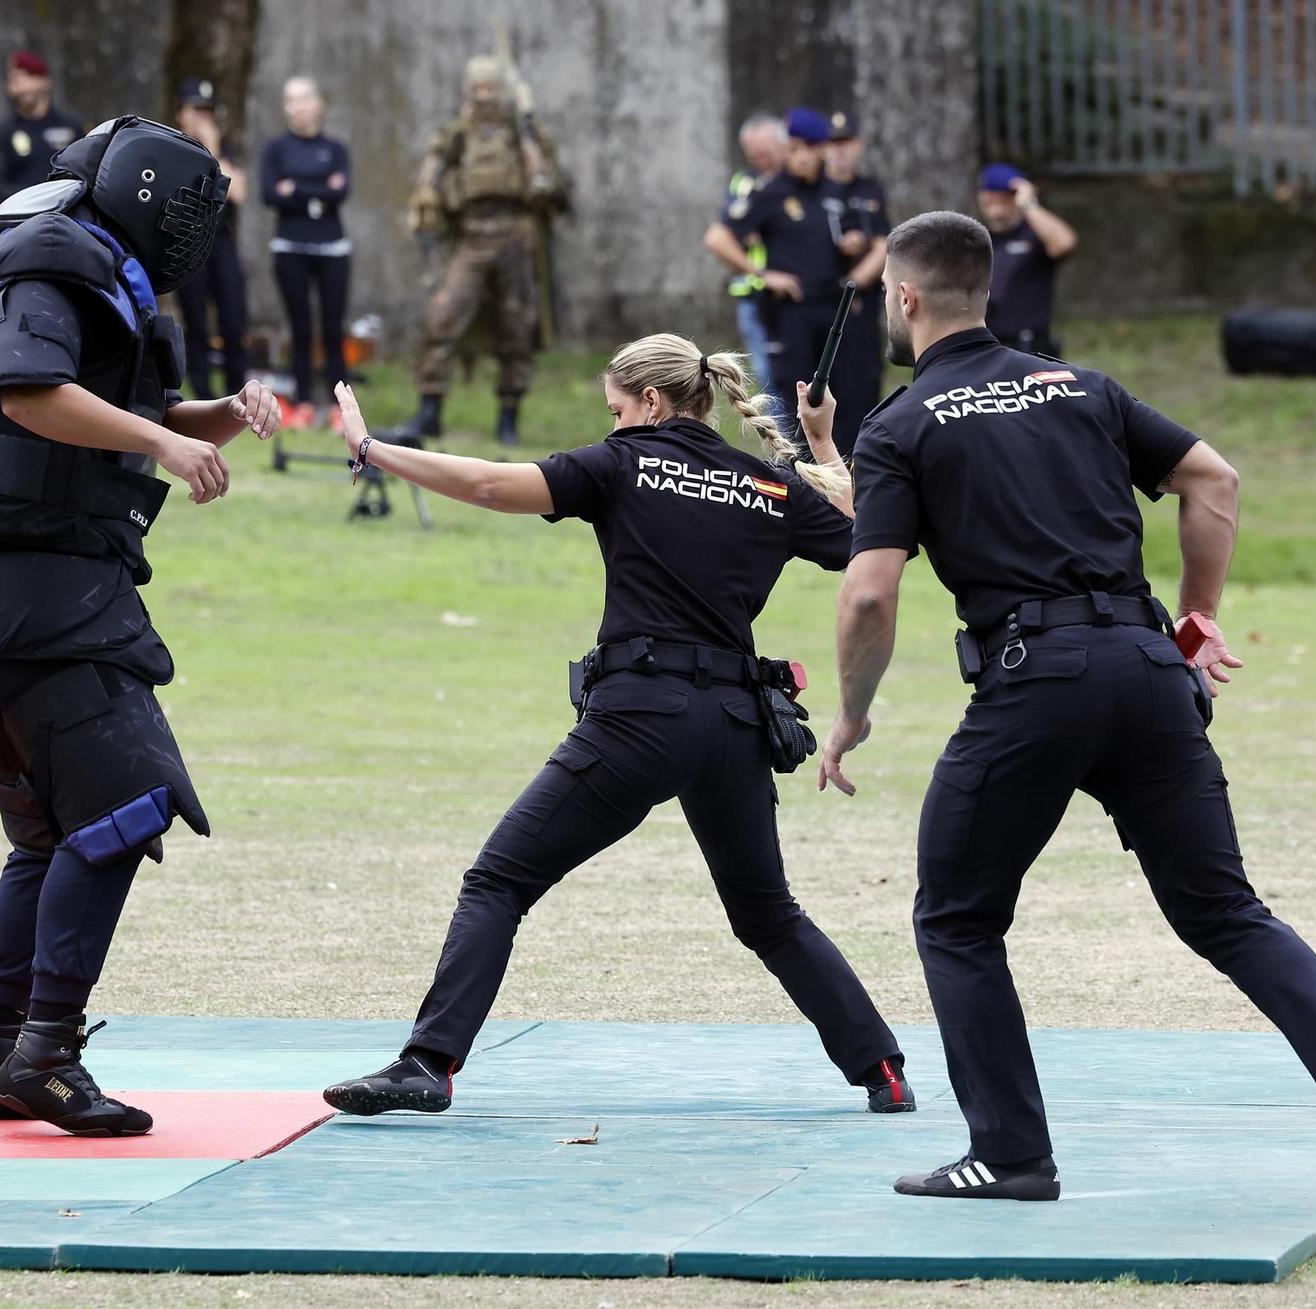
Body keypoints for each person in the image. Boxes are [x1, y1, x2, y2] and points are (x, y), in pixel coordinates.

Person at [816, 211, 1316, 1203]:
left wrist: (850, 714)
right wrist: (1196, 617)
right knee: (1222, 909)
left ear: (906, 298)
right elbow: (1211, 479)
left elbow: (870, 592)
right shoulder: (1079, 387)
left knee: (956, 917)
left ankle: (1009, 1154)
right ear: (988, 291)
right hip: (1143, 668)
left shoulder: (901, 422)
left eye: (884, 293)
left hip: (1032, 680)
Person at [319, 337, 915, 1119]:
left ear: (653, 403)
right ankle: (882, 1068)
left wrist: (372, 448)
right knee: (769, 916)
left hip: (641, 716)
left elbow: (494, 486)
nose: (615, 422)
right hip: (736, 724)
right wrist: (824, 443)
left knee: (498, 881)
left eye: (617, 409)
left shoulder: (622, 462)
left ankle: (428, 1063)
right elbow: (865, 537)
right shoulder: (767, 482)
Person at [0, 116, 280, 1136]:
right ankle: (47, 1055)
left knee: (57, 827)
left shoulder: (96, 272)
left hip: (18, 593)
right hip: (29, 593)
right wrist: (162, 438)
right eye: (193, 207)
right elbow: (28, 395)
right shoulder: (50, 262)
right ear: (146, 190)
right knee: (127, 802)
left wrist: (219, 414)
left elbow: (107, 406)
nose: (198, 229)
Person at [396, 55, 568, 447]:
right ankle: (429, 411)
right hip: (472, 236)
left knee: (517, 328)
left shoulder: (523, 131)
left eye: (492, 88)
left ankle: (508, 416)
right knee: (442, 318)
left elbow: (554, 186)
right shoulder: (457, 133)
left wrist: (529, 123)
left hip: (517, 237)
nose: (485, 96)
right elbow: (430, 179)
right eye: (478, 89)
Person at [704, 108, 871, 449]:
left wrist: (854, 245)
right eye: (795, 149)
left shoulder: (836, 191)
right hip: (792, 311)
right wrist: (763, 274)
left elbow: (856, 237)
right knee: (796, 397)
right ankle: (802, 473)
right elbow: (718, 238)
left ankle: (850, 472)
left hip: (834, 309)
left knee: (848, 397)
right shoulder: (771, 192)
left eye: (809, 148)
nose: (803, 157)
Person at [259, 76, 346, 429]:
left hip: (333, 248)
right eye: (290, 100)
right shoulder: (276, 149)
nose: (297, 106)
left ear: (319, 103)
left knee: (333, 329)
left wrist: (294, 187)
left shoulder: (336, 149)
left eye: (303, 98)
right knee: (300, 327)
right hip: (290, 246)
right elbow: (269, 194)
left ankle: (341, 407)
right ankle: (305, 402)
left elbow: (341, 192)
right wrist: (320, 189)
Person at [175, 78, 250, 402]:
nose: (203, 118)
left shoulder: (223, 150)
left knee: (233, 316)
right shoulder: (173, 147)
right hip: (188, 241)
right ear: (182, 113)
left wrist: (215, 151)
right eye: (196, 110)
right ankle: (203, 392)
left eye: (208, 110)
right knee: (196, 321)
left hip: (222, 241)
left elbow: (240, 193)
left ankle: (238, 388)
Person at [820, 110, 889, 454]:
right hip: (821, 304)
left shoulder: (870, 189)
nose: (839, 151)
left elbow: (883, 242)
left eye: (845, 143)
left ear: (858, 145)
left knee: (863, 383)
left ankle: (861, 457)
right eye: (832, 144)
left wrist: (855, 281)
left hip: (860, 304)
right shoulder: (814, 190)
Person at [704, 112, 786, 394]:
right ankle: (782, 435)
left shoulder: (798, 182)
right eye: (753, 155)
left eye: (767, 153)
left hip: (794, 297)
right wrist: (759, 272)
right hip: (755, 294)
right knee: (767, 375)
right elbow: (718, 238)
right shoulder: (746, 184)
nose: (761, 161)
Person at [976, 163, 1077, 357]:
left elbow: (1064, 243)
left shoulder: (1033, 235)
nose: (997, 204)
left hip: (1028, 345)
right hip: (987, 341)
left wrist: (1029, 205)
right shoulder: (979, 238)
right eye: (990, 196)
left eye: (1004, 197)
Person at [0, 51, 84, 212]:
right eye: (14, 80)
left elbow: (85, 172)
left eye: (28, 77)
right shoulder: (3, 131)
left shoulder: (70, 126)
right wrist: (33, 200)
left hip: (67, 214)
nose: (22, 86)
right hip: (20, 218)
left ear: (46, 80)